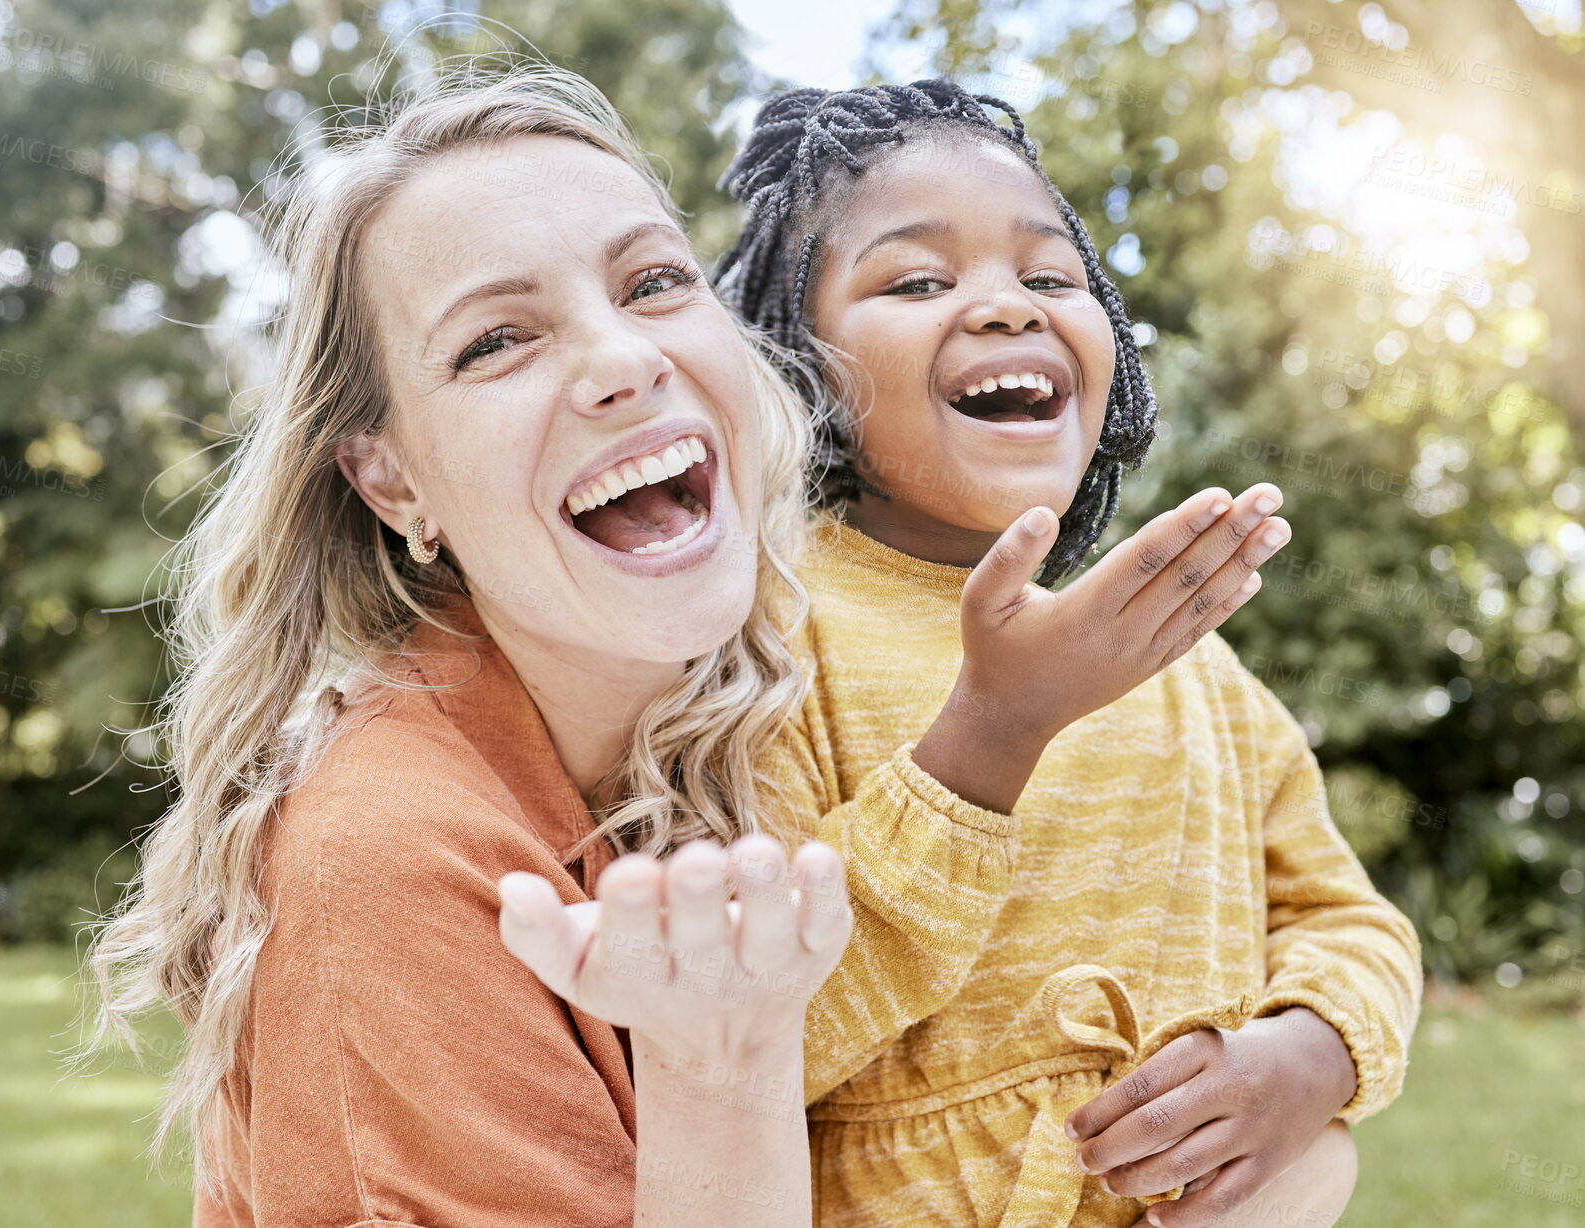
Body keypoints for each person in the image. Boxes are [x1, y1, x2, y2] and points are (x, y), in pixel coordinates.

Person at [78, 64, 858, 1227]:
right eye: (496, 342)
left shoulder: (767, 713)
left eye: (652, 280)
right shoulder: (388, 851)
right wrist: (721, 1063)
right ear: (391, 480)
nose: (624, 361)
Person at [717, 79, 1423, 1228]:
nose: (1008, 307)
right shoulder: (768, 636)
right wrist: (987, 740)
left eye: (1051, 277)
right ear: (798, 365)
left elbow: (1346, 919)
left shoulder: (1184, 658)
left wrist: (1315, 1053)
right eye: (917, 280)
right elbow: (744, 1041)